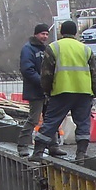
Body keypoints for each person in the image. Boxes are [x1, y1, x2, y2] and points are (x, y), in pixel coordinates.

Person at [31, 20, 96, 164]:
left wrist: (47, 91)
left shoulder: (53, 48)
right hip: (83, 92)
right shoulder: (85, 49)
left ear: (61, 32)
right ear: (76, 33)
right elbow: (94, 73)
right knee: (83, 123)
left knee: (51, 122)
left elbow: (46, 74)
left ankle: (37, 153)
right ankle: (81, 154)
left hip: (61, 92)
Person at [18, 22, 62, 157]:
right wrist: (42, 82)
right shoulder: (28, 49)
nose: (45, 36)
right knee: (34, 119)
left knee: (51, 119)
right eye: (42, 34)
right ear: (36, 34)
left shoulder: (46, 49)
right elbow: (27, 70)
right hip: (35, 91)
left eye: (46, 34)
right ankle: (23, 145)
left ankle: (53, 146)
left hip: (47, 91)